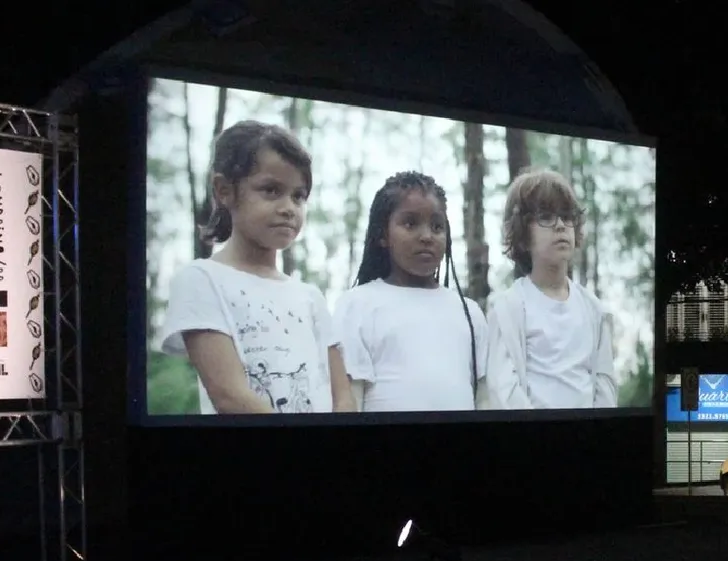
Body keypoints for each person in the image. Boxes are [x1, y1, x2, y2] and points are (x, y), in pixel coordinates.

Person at [158, 120, 354, 415]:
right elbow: (229, 397)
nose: (289, 207)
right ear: (224, 190)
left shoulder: (311, 297)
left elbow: (344, 398)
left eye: (298, 196)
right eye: (271, 190)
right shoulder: (201, 280)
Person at [333, 171, 487, 412]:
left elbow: (484, 398)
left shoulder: (470, 313)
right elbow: (348, 399)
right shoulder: (357, 304)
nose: (426, 236)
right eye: (410, 223)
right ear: (383, 235)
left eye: (437, 226)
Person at [486, 168, 616, 410]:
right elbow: (503, 390)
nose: (560, 226)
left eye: (567, 217)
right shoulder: (508, 308)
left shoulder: (593, 308)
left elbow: (605, 384)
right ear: (522, 235)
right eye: (545, 216)